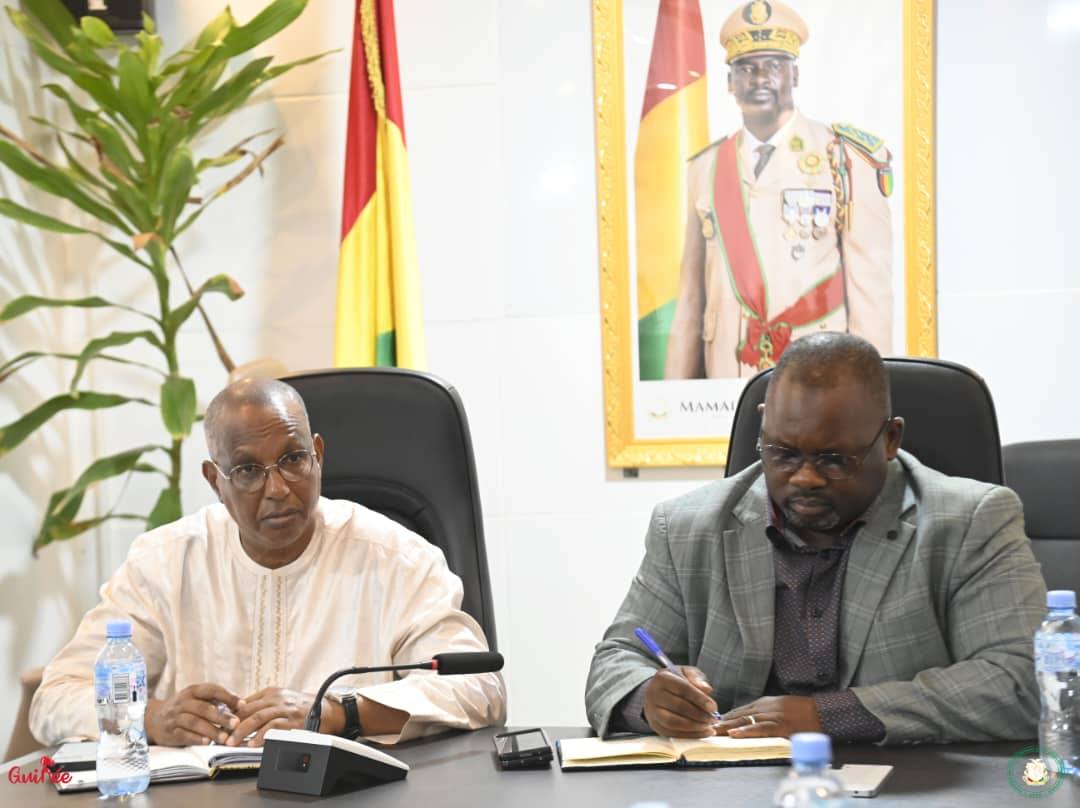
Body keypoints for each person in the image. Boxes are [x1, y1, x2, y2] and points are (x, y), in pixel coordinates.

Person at [588, 332, 1045, 744]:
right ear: (764, 425)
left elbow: (1022, 681)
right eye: (782, 453)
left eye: (833, 459)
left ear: (890, 439)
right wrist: (647, 697)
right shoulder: (687, 526)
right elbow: (617, 659)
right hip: (733, 785)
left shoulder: (969, 522)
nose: (804, 477)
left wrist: (829, 716)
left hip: (906, 784)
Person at [31, 378, 505, 747]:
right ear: (215, 481)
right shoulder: (165, 562)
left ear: (318, 456)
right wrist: (149, 717)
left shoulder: (395, 557)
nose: (277, 489)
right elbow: (56, 697)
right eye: (247, 470)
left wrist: (339, 713)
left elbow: (479, 688)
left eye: (293, 459)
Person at [664, 0, 894, 379]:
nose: (760, 79)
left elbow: (872, 299)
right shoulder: (705, 168)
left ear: (795, 75)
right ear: (730, 82)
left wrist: (869, 393)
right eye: (746, 68)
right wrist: (675, 392)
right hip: (728, 375)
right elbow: (691, 301)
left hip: (818, 373)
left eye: (774, 65)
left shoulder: (845, 158)